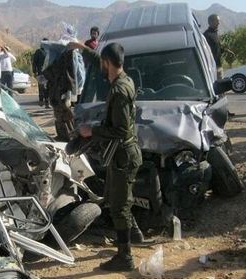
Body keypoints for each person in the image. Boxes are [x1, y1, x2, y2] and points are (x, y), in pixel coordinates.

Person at [68, 41, 142, 271]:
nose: (100, 65)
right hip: (122, 154)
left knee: (120, 206)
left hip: (123, 156)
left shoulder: (119, 90)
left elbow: (120, 130)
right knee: (118, 197)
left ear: (107, 63)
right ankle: (136, 234)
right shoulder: (124, 79)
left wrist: (92, 131)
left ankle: (125, 257)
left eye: (102, 62)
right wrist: (81, 47)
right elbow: (99, 57)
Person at [204, 14, 235, 80]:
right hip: (212, 68)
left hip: (218, 66)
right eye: (217, 21)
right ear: (210, 22)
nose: (219, 23)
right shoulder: (206, 35)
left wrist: (227, 51)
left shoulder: (215, 34)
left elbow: (218, 47)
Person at [32, 38, 49, 108]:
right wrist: (34, 71)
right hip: (41, 72)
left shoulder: (49, 51)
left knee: (48, 87)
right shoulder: (38, 51)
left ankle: (47, 102)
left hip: (49, 73)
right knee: (41, 87)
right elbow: (34, 62)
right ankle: (42, 101)